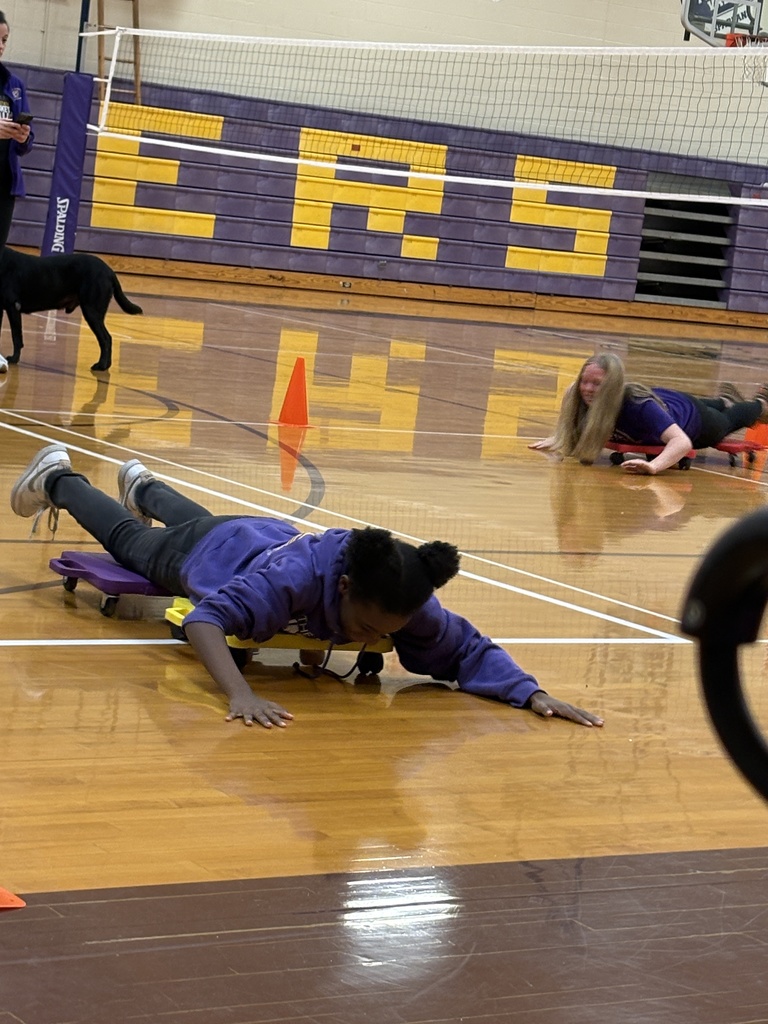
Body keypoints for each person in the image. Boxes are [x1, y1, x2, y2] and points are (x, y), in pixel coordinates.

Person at [10, 444, 605, 730]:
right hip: (207, 554)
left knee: (203, 516)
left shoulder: (403, 597)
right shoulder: (292, 581)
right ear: (342, 585)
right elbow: (203, 620)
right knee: (129, 543)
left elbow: (465, 646)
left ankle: (145, 487)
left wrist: (528, 693)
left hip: (258, 533)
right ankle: (59, 476)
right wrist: (239, 693)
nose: (372, 639)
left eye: (385, 635)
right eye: (367, 628)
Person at [529, 351, 768, 475]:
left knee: (726, 421)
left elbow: (682, 443)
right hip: (667, 400)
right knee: (714, 405)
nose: (587, 389)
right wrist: (558, 439)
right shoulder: (575, 393)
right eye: (585, 381)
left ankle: (760, 403)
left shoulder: (637, 406)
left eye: (597, 384)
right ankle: (724, 399)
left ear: (612, 386)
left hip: (693, 420)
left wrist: (655, 466)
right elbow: (572, 428)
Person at [0, 11, 33, 251]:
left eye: (4, 40)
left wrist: (23, 137)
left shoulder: (15, 84)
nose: (1, 45)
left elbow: (28, 141)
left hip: (4, 184)